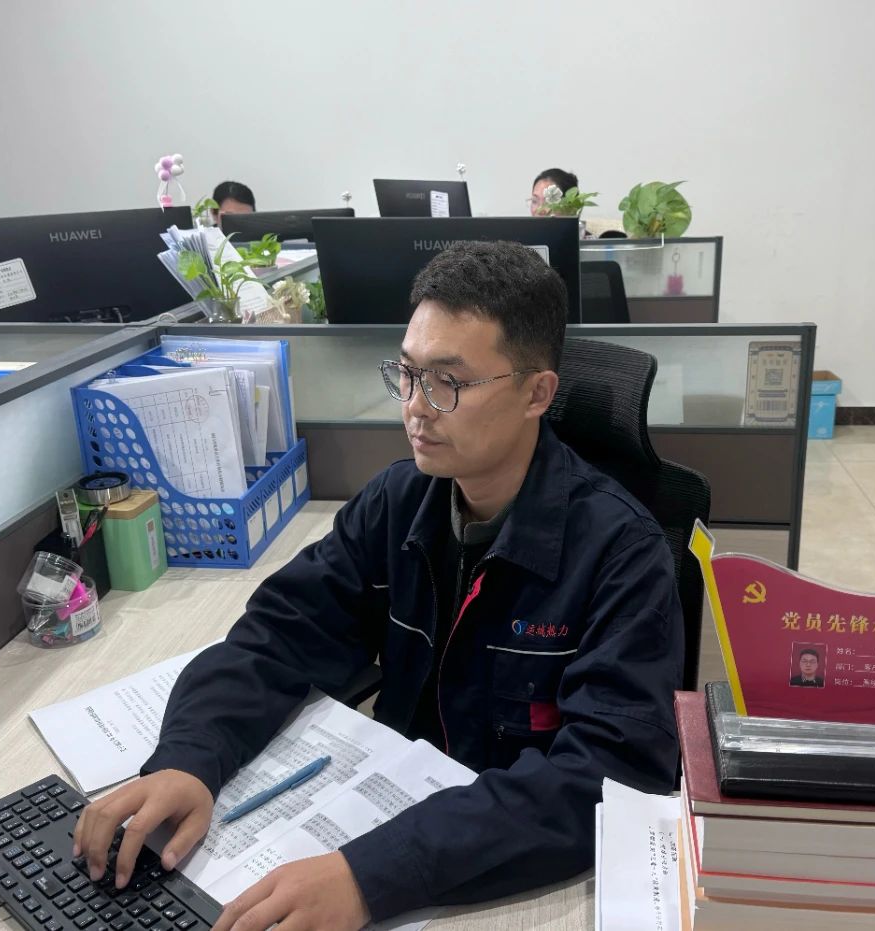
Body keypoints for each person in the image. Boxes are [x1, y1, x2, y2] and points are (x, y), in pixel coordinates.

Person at [72, 240, 682, 931]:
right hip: (386, 817)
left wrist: (373, 874)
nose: (416, 408)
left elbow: (605, 775)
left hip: (502, 880)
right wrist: (189, 756)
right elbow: (277, 637)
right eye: (408, 373)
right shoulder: (399, 501)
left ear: (537, 393)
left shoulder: (622, 553)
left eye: (448, 383)